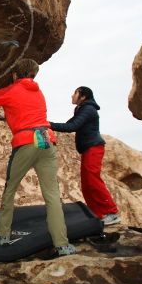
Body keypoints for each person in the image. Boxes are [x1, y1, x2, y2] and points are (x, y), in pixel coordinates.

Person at [0, 58, 76, 257]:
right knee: (52, 196)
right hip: (47, 139)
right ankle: (62, 245)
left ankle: (3, 235)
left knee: (10, 189)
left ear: (14, 74)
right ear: (33, 74)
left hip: (26, 141)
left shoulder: (12, 90)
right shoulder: (39, 93)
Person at [49, 86, 121, 225]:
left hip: (94, 148)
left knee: (93, 181)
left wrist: (47, 124)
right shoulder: (81, 109)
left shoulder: (88, 109)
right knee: (87, 184)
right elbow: (68, 124)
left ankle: (112, 213)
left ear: (83, 96)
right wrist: (48, 124)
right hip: (88, 149)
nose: (72, 95)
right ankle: (97, 214)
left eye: (75, 93)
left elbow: (72, 126)